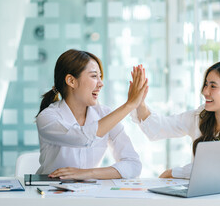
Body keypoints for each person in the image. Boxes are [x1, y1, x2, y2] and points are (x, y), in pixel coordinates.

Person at [131, 60, 220, 179]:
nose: (205, 91)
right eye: (206, 84)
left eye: (213, 86)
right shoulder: (200, 116)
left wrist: (174, 172)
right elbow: (159, 127)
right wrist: (139, 102)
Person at [36, 49, 148, 179]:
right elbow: (82, 137)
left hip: (89, 194)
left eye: (100, 77)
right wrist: (129, 105)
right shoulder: (47, 118)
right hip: (50, 194)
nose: (101, 84)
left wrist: (87, 173)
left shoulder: (105, 114)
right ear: (71, 81)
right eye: (94, 76)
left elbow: (133, 165)